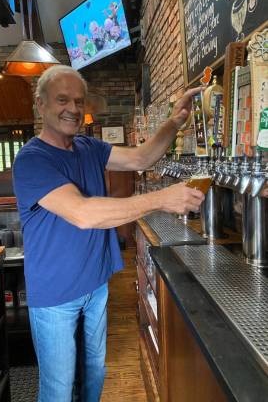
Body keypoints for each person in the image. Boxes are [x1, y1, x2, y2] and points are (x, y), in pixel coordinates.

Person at [12, 64, 205, 402]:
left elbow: (142, 158)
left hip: (96, 284)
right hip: (56, 294)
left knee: (94, 376)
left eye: (78, 101)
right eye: (62, 100)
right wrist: (162, 198)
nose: (73, 109)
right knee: (58, 389)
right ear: (40, 104)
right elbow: (84, 214)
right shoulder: (32, 159)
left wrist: (174, 122)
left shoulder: (89, 147)